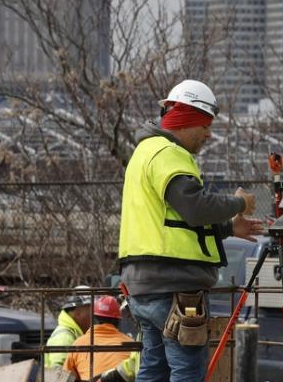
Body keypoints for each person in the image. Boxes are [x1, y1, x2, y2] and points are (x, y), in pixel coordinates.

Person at [118, 79, 264, 382]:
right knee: (187, 371)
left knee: (154, 370)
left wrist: (227, 227)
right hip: (174, 286)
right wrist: (240, 203)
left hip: (144, 285)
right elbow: (195, 206)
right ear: (186, 120)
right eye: (205, 125)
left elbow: (173, 224)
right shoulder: (168, 154)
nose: (208, 134)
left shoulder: (145, 152)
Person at [64, 296, 134, 381]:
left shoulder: (78, 344)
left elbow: (65, 377)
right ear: (118, 321)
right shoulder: (130, 343)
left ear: (93, 318)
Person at [45, 286, 94, 368]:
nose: (93, 315)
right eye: (90, 311)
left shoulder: (74, 333)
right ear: (78, 313)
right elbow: (58, 371)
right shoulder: (64, 337)